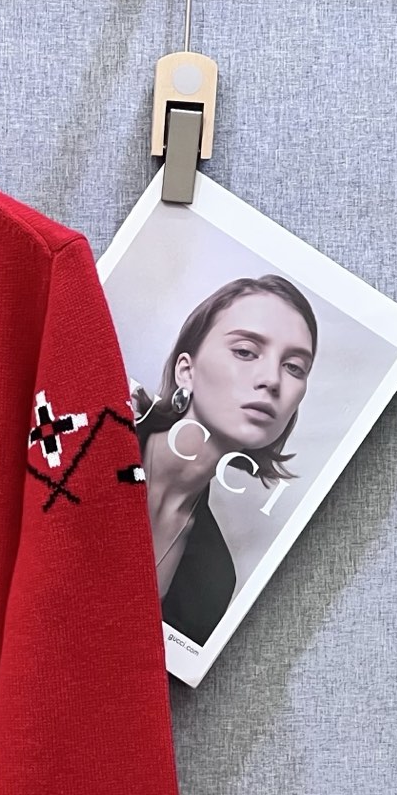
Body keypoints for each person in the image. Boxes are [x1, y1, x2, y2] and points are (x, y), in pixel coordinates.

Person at [131, 273, 318, 645]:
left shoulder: (214, 580)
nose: (272, 380)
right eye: (245, 351)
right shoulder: (91, 436)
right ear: (187, 371)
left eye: (294, 367)